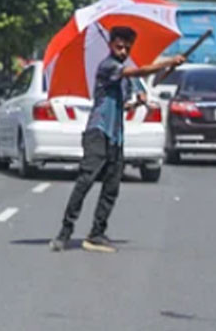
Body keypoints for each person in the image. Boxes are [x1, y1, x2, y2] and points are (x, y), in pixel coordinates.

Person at [49, 27, 184, 254]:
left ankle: (97, 233)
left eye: (127, 48)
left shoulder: (123, 71)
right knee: (86, 180)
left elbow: (122, 101)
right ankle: (64, 232)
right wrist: (168, 62)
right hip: (97, 131)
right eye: (119, 47)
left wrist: (137, 102)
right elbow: (136, 73)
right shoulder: (108, 66)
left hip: (115, 134)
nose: (123, 51)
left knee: (112, 186)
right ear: (111, 45)